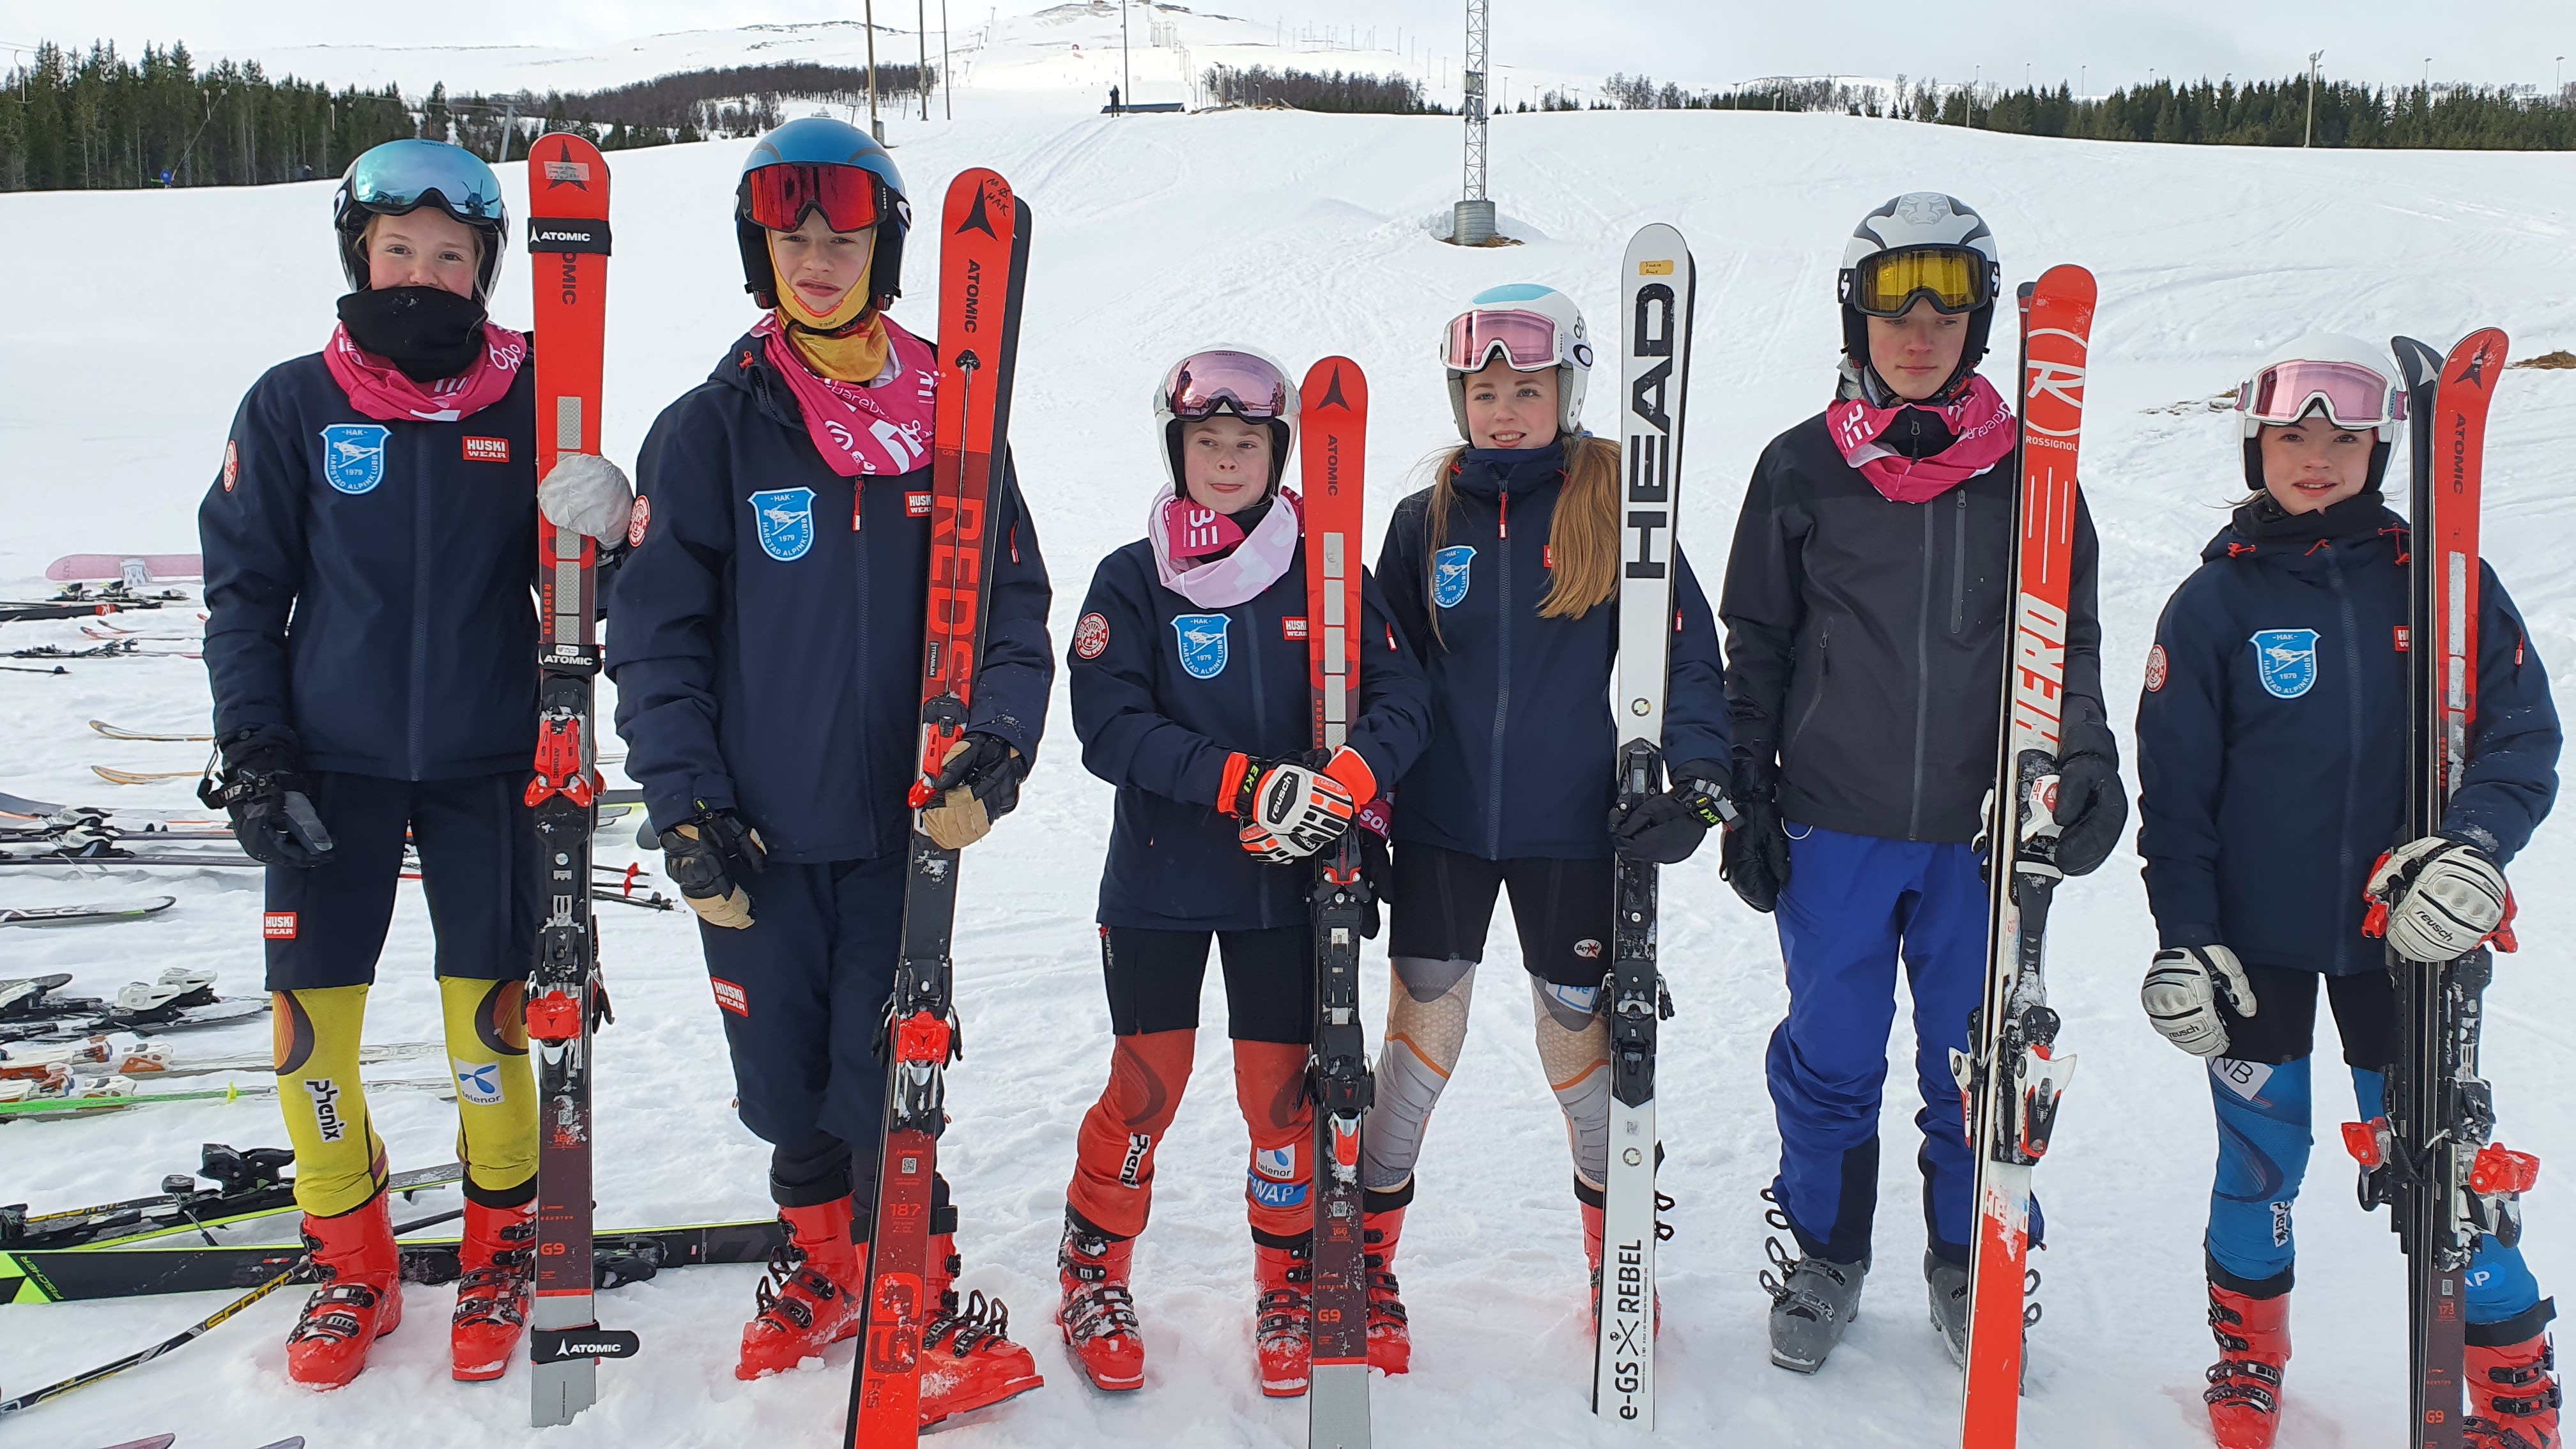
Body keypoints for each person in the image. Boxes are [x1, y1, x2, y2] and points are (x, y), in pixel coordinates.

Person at [606, 117, 1052, 1425]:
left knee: (892, 1075)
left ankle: (919, 1287)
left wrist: (998, 746)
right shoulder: (712, 430)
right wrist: (685, 806)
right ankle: (823, 1264)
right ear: (760, 249)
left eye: (841, 239)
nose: (815, 258)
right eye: (791, 236)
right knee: (782, 1081)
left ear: (882, 253)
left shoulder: (953, 419)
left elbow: (1012, 610)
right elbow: (659, 637)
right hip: (754, 829)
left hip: (907, 831)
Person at [197, 137, 638, 1390]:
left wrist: (616, 533)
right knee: (309, 1035)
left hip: (490, 763)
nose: (423, 275)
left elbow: (588, 593)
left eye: (451, 256)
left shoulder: (536, 394)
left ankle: (500, 1248)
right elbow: (245, 593)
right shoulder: (294, 404)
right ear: (361, 254)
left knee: (489, 1030)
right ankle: (353, 1263)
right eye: (400, 250)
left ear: (484, 271)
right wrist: (254, 746)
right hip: (326, 764)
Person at [1719, 192, 2126, 1374]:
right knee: (1832, 1057)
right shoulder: (1800, 468)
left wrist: (2085, 759)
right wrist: (1749, 792)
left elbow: (2067, 643)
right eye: (1897, 308)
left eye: (1948, 311)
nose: (1920, 333)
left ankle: (1968, 1258)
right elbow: (1758, 645)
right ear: (1858, 318)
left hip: (1980, 831)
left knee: (1976, 1062)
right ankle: (1827, 1252)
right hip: (1834, 827)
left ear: (1980, 325)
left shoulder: (2033, 475)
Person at [2136, 335, 2561, 1449]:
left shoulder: (2443, 581)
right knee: (2260, 1162)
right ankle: (2249, 1357)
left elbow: (2523, 736)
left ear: (2381, 450)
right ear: (2256, 447)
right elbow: (2175, 802)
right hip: (2256, 949)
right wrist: (2187, 937)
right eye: (2291, 436)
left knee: (2446, 1170)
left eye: (2344, 438)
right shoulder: (2213, 604)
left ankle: (2514, 1395)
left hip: (2409, 938)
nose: (2316, 457)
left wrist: (2472, 852)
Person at [1356, 283, 1733, 1374]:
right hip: (1441, 826)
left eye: (1528, 391)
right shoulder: (1424, 521)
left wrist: (1695, 779)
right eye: (1485, 394)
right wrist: (1367, 810)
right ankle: (1367, 1266)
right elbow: (1385, 675)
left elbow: (1687, 656)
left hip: (1573, 830)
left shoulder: (1617, 503)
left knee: (1581, 1052)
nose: (1506, 412)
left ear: (1567, 392)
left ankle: (1618, 1263)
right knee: (1418, 1053)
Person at [1049, 348, 1433, 1398]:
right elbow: (1109, 724)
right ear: (1177, 450)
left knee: (1281, 1103)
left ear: (1279, 453)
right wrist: (1245, 784)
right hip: (1161, 885)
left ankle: (1286, 1282)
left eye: (1247, 443)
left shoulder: (1326, 571)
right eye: (1207, 441)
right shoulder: (1134, 578)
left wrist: (1346, 779)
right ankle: (1094, 1275)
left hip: (1286, 892)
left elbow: (1403, 700)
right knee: (1146, 1090)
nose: (1226, 460)